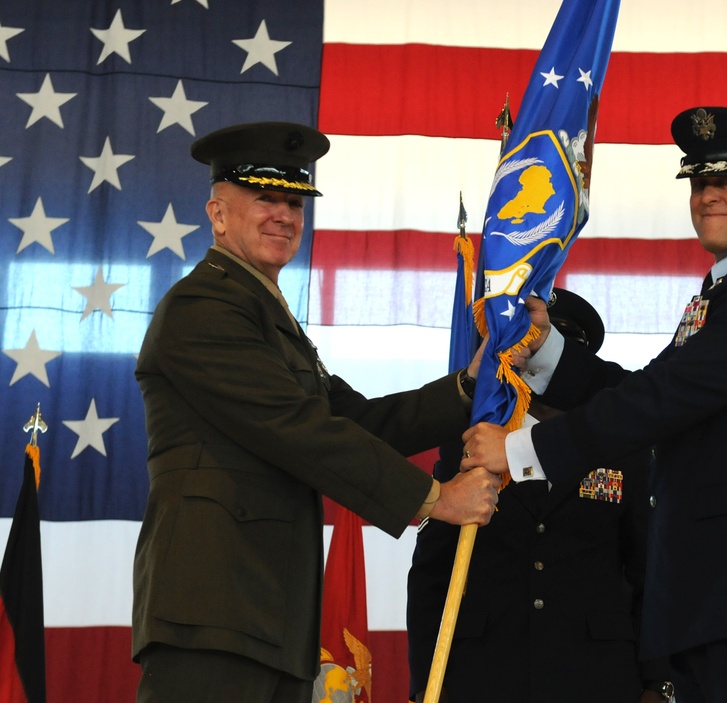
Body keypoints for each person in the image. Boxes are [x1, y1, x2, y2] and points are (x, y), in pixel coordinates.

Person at [460, 107, 727, 703]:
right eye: (701, 182)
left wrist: (521, 451)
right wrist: (544, 349)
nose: (710, 196)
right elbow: (654, 389)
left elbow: (661, 402)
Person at [131, 121, 501, 703]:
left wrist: (468, 385)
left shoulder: (267, 314)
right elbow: (297, 431)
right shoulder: (202, 306)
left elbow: (354, 422)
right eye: (264, 198)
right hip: (212, 614)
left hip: (270, 618)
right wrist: (438, 499)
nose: (284, 214)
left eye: (294, 202)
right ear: (218, 213)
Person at [406, 289, 665, 703]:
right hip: (485, 675)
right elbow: (432, 575)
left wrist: (657, 683)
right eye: (521, 348)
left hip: (595, 677)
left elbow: (649, 572)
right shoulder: (468, 446)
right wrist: (424, 683)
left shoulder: (622, 449)